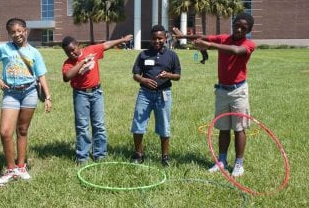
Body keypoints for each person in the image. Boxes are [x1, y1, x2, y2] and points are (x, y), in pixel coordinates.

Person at [172, 13, 256, 177]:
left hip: (238, 91)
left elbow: (235, 50)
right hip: (222, 90)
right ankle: (222, 161)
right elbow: (203, 36)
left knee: (239, 129)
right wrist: (184, 36)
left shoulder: (249, 44)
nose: (239, 29)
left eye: (243, 27)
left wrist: (209, 45)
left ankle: (239, 164)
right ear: (233, 24)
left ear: (249, 30)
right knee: (223, 128)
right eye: (237, 25)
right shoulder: (224, 38)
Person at [0, 18, 52, 186]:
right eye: (13, 32)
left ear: (25, 31)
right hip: (11, 93)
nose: (17, 34)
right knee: (5, 132)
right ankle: (11, 169)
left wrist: (48, 96)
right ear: (9, 34)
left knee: (22, 130)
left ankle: (21, 167)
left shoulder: (34, 52)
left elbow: (41, 75)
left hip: (29, 92)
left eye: (19, 31)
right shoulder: (4, 48)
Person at [61, 34, 133, 165]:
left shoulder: (91, 50)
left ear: (78, 45)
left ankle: (100, 154)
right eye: (68, 52)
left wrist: (122, 40)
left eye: (73, 49)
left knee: (99, 125)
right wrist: (82, 61)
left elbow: (106, 45)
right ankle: (82, 157)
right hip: (80, 94)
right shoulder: (68, 63)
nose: (72, 53)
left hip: (96, 92)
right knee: (82, 126)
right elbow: (67, 76)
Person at [130, 25, 181, 167]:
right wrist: (143, 80)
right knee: (138, 124)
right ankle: (139, 154)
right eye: (154, 38)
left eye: (160, 38)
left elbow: (178, 76)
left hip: (163, 94)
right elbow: (135, 75)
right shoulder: (143, 55)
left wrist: (168, 75)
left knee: (164, 126)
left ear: (165, 38)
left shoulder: (171, 55)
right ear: (150, 39)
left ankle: (165, 157)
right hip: (145, 94)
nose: (157, 41)